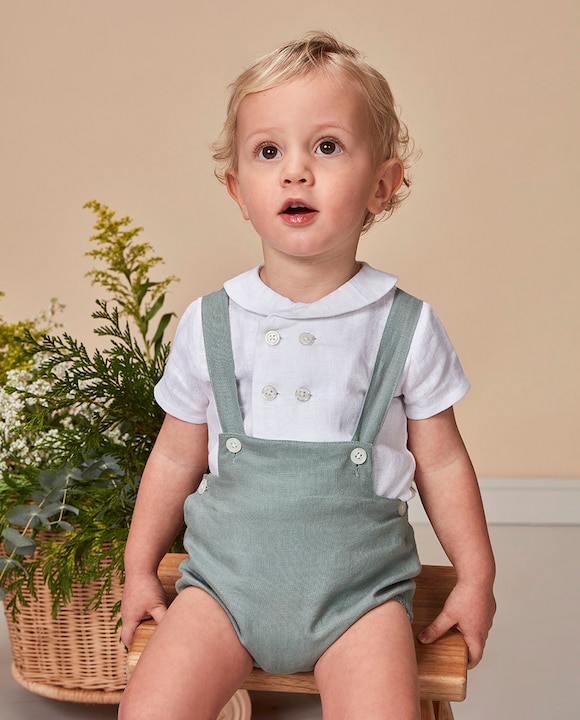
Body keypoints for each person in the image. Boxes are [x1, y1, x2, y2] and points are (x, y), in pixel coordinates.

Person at [118, 31, 496, 720]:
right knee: (149, 711)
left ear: (381, 185)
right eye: (269, 152)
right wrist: (139, 566)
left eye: (326, 146)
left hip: (360, 601)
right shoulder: (211, 323)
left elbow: (442, 463)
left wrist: (476, 577)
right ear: (238, 190)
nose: (296, 172)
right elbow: (174, 455)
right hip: (222, 594)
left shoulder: (403, 325)